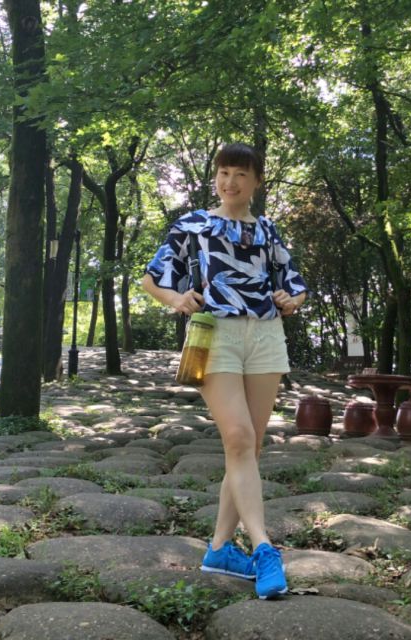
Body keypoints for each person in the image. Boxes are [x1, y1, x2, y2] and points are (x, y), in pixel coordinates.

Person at [142, 142, 307, 599]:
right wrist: (176, 299)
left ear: (256, 182)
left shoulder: (268, 229)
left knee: (248, 448)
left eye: (240, 174)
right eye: (224, 172)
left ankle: (218, 549)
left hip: (266, 336)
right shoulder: (193, 224)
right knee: (237, 438)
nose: (229, 182)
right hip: (214, 335)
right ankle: (264, 548)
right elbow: (152, 278)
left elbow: (294, 285)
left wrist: (290, 300)